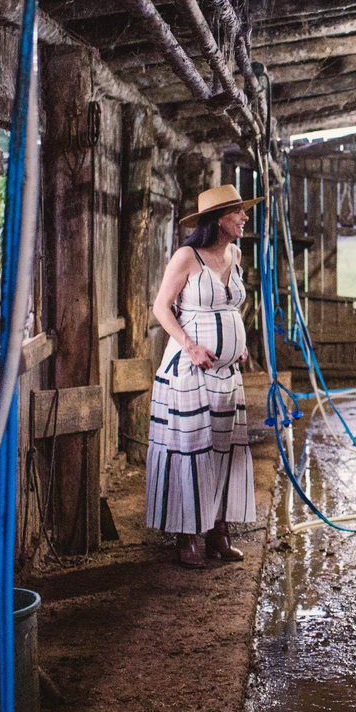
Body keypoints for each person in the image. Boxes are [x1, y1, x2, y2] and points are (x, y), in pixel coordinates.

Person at [146, 185, 260, 567]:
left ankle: (218, 532)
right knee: (191, 449)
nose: (244, 217)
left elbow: (230, 308)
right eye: (238, 212)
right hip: (191, 370)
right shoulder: (187, 257)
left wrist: (238, 343)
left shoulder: (235, 254)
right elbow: (161, 307)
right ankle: (186, 535)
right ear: (219, 219)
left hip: (227, 373)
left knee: (225, 448)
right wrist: (191, 346)